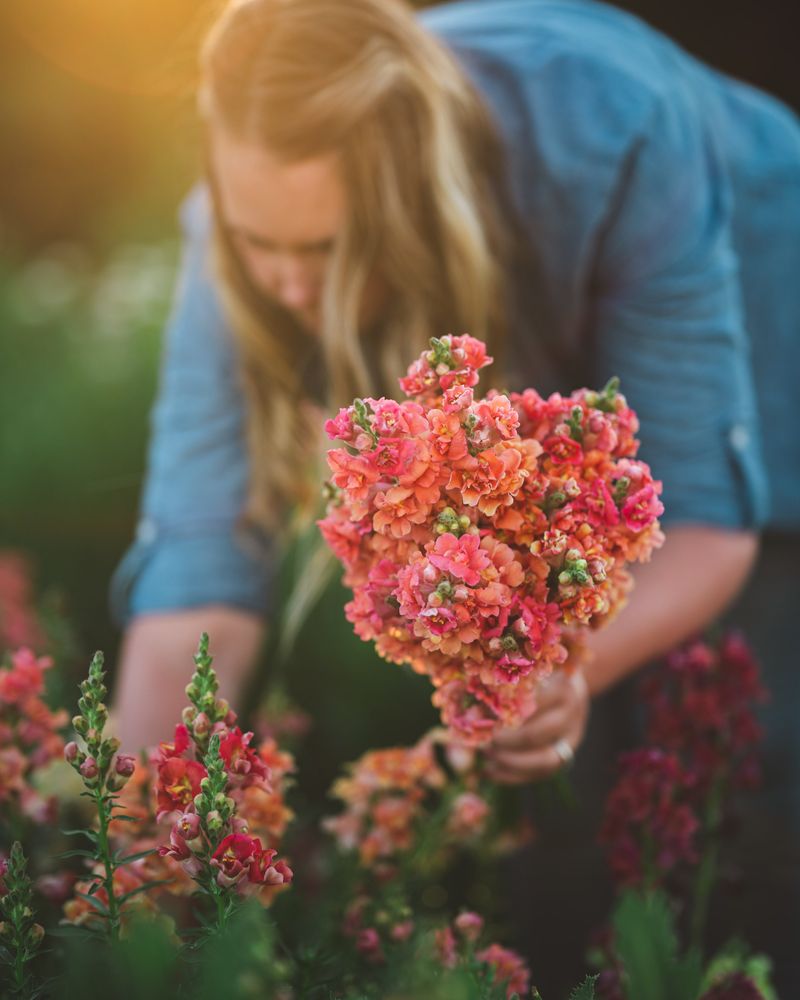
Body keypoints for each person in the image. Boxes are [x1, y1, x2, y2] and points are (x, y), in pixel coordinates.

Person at [109, 0, 800, 990]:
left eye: (324, 250)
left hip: (766, 305)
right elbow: (201, 560)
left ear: (403, 202)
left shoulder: (613, 126)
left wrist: (564, 669)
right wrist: (136, 848)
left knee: (739, 783)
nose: (288, 285)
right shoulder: (236, 230)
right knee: (549, 809)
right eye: (260, 240)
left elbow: (705, 519)